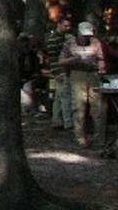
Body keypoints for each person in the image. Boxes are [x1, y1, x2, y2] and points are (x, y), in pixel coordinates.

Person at [60, 21, 107, 150]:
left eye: (88, 36)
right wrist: (74, 59)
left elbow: (101, 58)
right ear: (79, 33)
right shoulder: (69, 43)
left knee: (97, 108)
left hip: (93, 74)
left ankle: (99, 139)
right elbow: (61, 61)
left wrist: (101, 68)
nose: (87, 38)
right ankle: (80, 138)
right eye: (84, 36)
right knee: (78, 108)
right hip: (77, 74)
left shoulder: (96, 43)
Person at [45, 17, 74, 134]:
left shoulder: (64, 37)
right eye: (65, 26)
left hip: (64, 70)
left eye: (69, 26)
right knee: (66, 97)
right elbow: (53, 58)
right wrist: (57, 72)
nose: (67, 28)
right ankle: (69, 123)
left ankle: (56, 121)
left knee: (58, 97)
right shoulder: (53, 39)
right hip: (60, 71)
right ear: (59, 24)